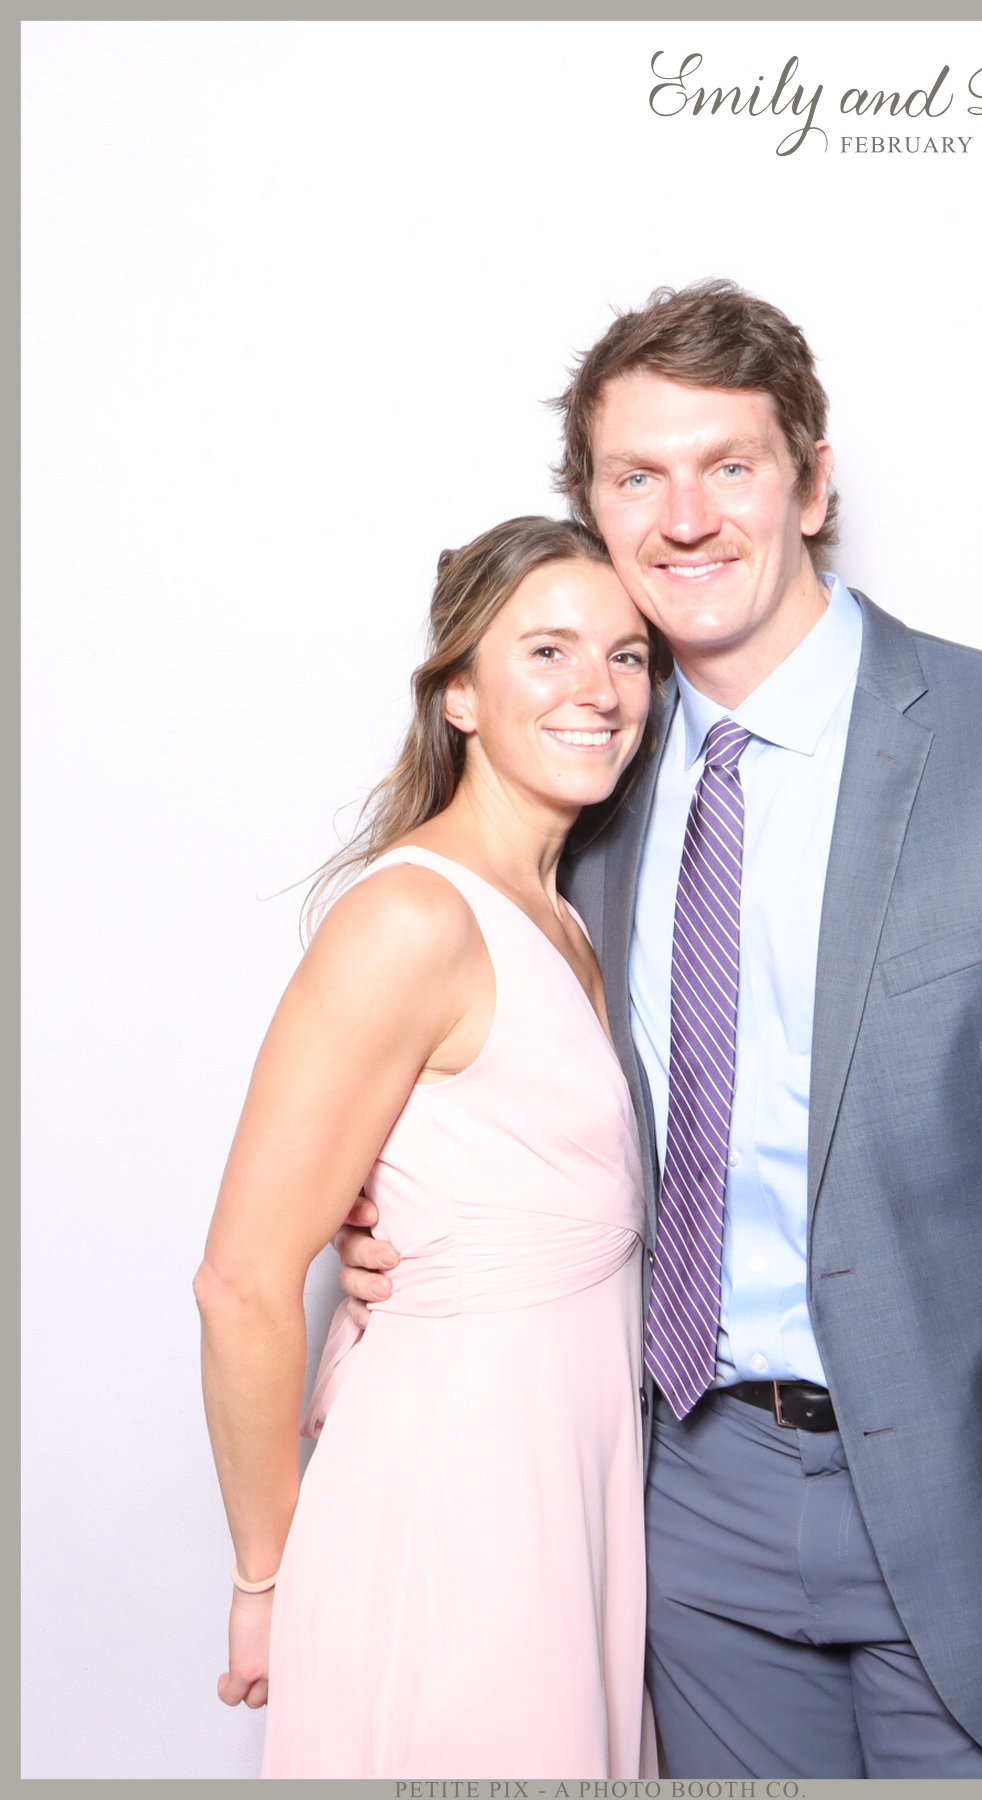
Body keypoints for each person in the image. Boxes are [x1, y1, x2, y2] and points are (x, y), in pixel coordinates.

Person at [336, 282, 982, 1779]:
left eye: (729, 465)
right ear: (593, 508)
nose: (685, 518)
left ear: (812, 481)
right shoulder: (584, 778)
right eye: (636, 477)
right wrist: (393, 1205)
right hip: (683, 1514)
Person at [194, 515, 669, 1778]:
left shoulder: (565, 916)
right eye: (548, 651)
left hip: (568, 1487)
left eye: (626, 655)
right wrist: (265, 1575)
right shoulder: (414, 915)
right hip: (458, 1488)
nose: (598, 689)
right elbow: (241, 1279)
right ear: (459, 693)